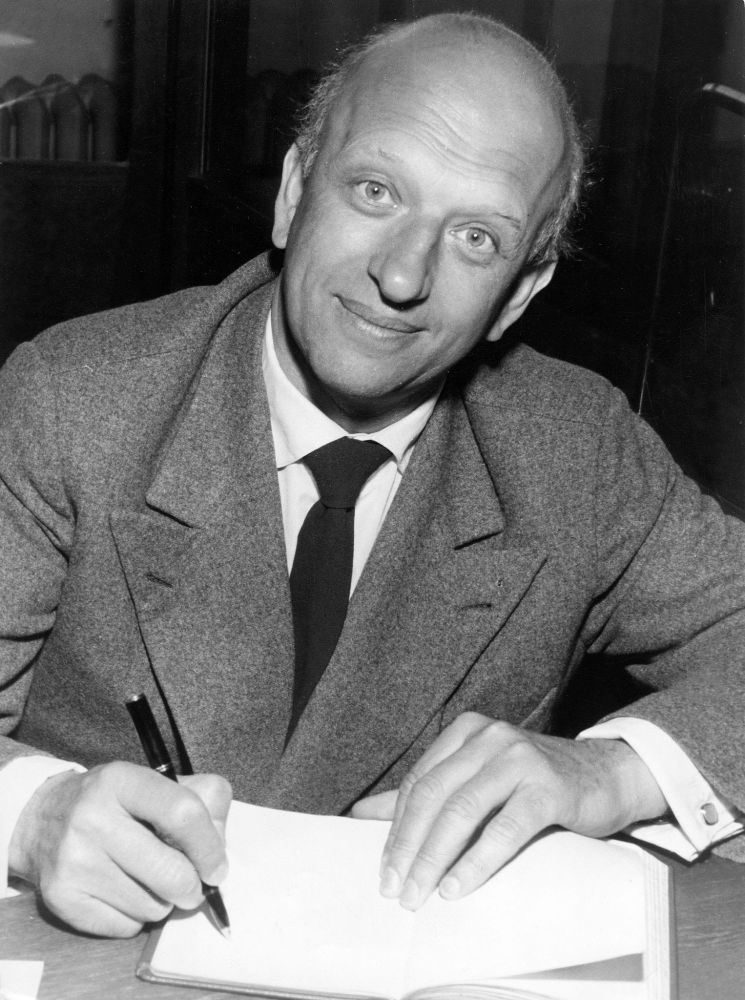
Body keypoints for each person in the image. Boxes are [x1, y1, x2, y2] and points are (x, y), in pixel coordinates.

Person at [1, 12, 744, 939]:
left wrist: (612, 771)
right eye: (375, 191)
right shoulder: (76, 398)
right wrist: (30, 815)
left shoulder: (576, 450)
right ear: (291, 194)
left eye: (475, 237)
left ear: (519, 293)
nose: (401, 275)